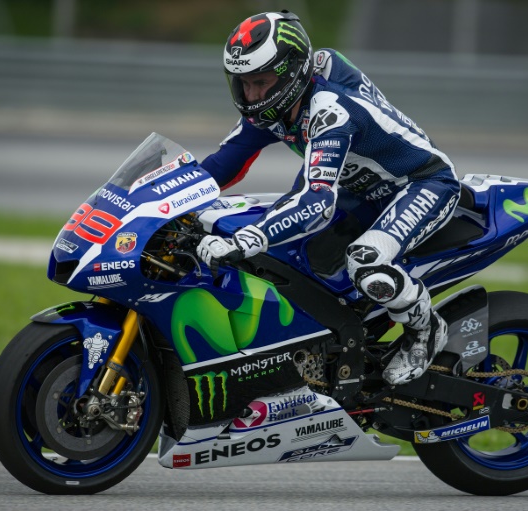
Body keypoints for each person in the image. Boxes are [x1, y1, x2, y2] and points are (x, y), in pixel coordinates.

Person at [195, 11, 460, 385]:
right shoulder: (276, 105)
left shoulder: (329, 109)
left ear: (291, 75)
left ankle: (425, 329)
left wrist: (245, 239)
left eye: (261, 82)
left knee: (365, 262)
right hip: (359, 189)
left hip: (419, 183)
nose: (252, 95)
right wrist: (156, 198)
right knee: (287, 257)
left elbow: (317, 201)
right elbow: (222, 165)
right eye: (243, 84)